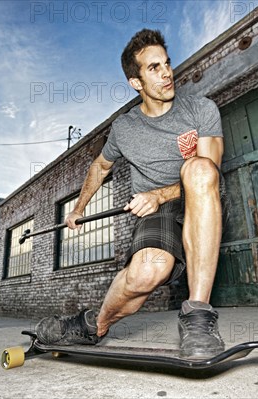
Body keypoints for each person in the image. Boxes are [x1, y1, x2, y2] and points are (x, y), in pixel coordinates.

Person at [36, 28, 227, 359]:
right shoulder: (125, 128)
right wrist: (78, 209)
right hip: (158, 214)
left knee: (197, 169)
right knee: (145, 273)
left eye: (166, 63)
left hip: (200, 200)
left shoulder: (201, 109)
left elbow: (209, 169)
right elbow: (100, 167)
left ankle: (197, 317)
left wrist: (158, 194)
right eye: (154, 68)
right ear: (136, 82)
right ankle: (91, 325)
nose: (167, 73)